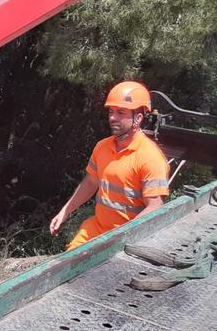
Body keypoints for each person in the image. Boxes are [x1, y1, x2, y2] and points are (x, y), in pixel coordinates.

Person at [50, 81, 169, 250]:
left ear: (138, 118)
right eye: (112, 112)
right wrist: (65, 211)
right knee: (65, 267)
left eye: (121, 112)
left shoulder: (150, 158)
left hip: (125, 239)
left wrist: (122, 237)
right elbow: (91, 182)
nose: (113, 117)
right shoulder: (102, 147)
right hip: (96, 229)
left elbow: (155, 206)